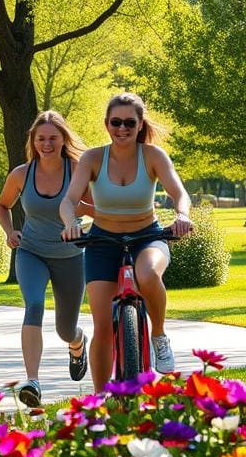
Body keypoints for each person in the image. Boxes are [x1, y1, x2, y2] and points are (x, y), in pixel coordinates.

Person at [60, 92, 193, 392]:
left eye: (129, 123)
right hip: (102, 242)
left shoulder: (153, 156)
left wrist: (182, 215)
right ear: (106, 125)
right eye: (116, 122)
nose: (122, 129)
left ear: (139, 124)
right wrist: (70, 223)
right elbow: (69, 200)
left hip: (148, 237)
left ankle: (158, 334)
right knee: (103, 326)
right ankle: (98, 398)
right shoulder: (93, 158)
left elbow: (179, 192)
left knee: (147, 275)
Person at [0, 111, 92, 407]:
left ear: (63, 139)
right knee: (34, 304)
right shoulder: (21, 174)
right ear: (33, 141)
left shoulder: (78, 169)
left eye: (53, 137)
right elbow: (2, 205)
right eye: (41, 139)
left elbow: (94, 206)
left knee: (66, 329)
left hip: (70, 255)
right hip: (31, 252)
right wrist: (10, 231)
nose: (46, 144)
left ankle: (77, 344)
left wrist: (80, 219)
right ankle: (33, 382)